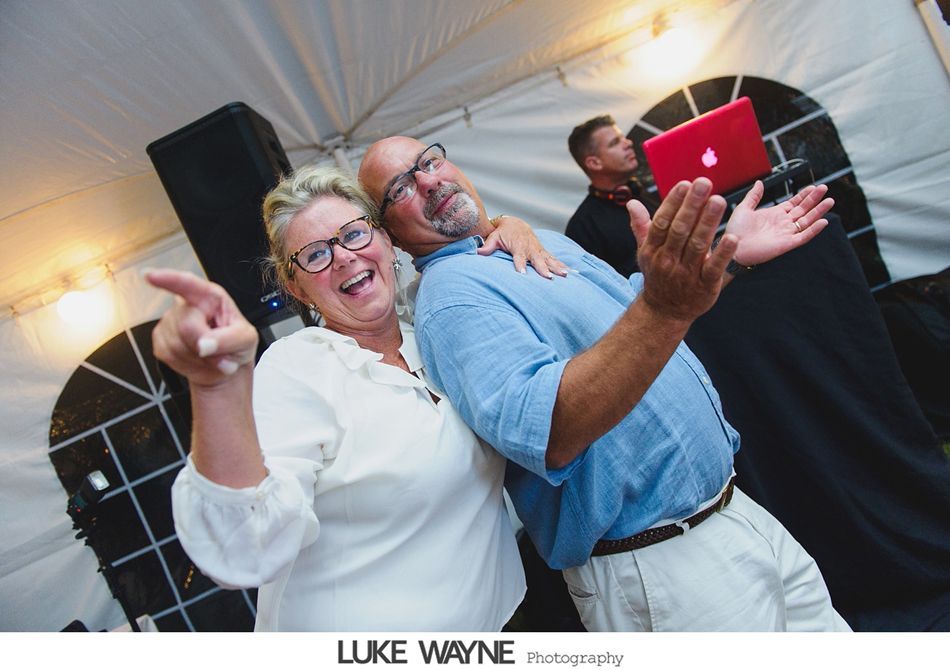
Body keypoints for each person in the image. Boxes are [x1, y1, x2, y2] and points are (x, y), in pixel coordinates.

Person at [358, 137, 852, 632]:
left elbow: (637, 313)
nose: (427, 180)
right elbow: (551, 431)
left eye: (429, 161)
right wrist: (662, 307)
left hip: (733, 515)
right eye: (401, 186)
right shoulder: (452, 301)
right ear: (391, 235)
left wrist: (726, 257)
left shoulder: (540, 241)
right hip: (665, 569)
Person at [144, 165, 566, 631]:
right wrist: (215, 386)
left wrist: (505, 224)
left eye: (353, 234)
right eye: (316, 255)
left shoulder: (437, 324)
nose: (343, 257)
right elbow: (247, 545)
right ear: (295, 287)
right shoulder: (300, 368)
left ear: (386, 241)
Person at [565, 115, 659, 276]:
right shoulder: (582, 227)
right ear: (594, 163)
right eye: (615, 143)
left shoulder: (639, 192)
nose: (628, 143)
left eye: (623, 138)